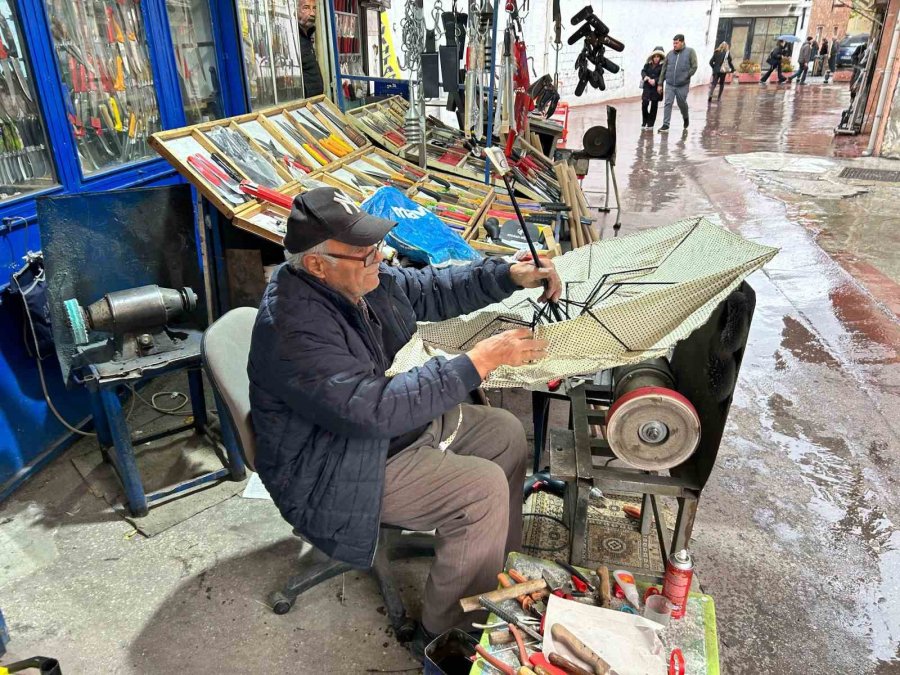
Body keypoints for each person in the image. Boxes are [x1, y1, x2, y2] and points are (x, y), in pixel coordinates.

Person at [248, 187, 562, 655]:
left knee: (505, 433)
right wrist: (477, 362)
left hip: (376, 436)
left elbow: (431, 288)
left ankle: (497, 574)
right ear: (316, 264)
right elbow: (371, 409)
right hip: (333, 466)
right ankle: (450, 638)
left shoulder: (354, 279)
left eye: (375, 247)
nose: (379, 257)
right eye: (364, 252)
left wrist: (508, 275)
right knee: (482, 490)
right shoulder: (296, 327)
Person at [657, 33, 697, 133]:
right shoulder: (670, 54)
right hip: (670, 84)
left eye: (676, 43)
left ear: (682, 42)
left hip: (682, 85)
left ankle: (685, 117)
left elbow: (694, 66)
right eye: (673, 43)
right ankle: (666, 124)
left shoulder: (690, 52)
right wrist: (660, 83)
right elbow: (664, 69)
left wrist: (687, 76)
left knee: (681, 103)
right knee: (668, 103)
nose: (674, 45)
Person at [297, 0, 324, 97]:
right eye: (306, 8)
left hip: (316, 100)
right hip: (304, 101)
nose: (312, 13)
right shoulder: (295, 38)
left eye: (314, 8)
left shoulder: (307, 35)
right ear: (295, 10)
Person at [641, 46, 665, 129]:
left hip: (656, 87)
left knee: (654, 106)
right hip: (647, 86)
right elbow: (643, 71)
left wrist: (655, 80)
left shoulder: (663, 66)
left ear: (661, 57)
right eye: (655, 56)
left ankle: (651, 124)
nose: (656, 58)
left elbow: (663, 76)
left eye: (658, 56)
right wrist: (645, 77)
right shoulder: (648, 64)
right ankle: (645, 120)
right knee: (644, 103)